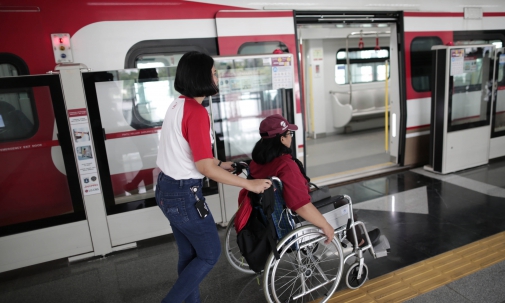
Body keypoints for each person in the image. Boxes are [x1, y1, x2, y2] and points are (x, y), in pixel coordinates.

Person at [155, 51, 271, 303]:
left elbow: (190, 153)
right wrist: (249, 183)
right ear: (201, 76)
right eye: (214, 72)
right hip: (185, 194)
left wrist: (220, 163)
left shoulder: (177, 105)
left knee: (189, 255)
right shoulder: (196, 112)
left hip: (166, 189)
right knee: (209, 254)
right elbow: (204, 169)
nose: (217, 76)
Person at [249, 114, 379, 247]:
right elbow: (300, 205)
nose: (291, 137)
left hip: (273, 213)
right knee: (343, 202)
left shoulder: (256, 162)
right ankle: (360, 241)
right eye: (289, 134)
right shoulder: (286, 166)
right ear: (282, 139)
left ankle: (356, 237)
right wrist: (325, 225)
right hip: (294, 217)